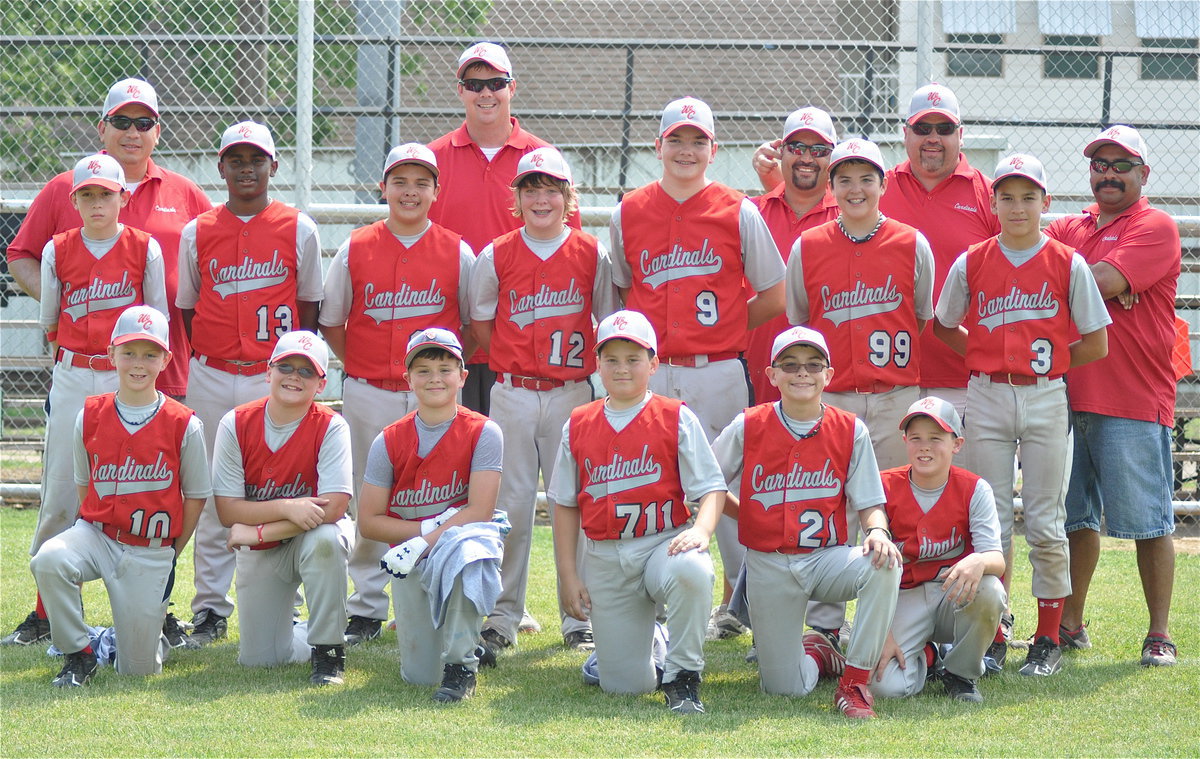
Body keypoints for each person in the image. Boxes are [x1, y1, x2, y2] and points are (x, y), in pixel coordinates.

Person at [609, 96, 785, 640]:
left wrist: (728, 325)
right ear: (657, 146)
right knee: (652, 478)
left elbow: (774, 294)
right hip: (652, 372)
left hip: (719, 369)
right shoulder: (628, 211)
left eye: (698, 141)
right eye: (677, 140)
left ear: (714, 149)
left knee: (727, 480)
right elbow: (620, 291)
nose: (687, 151)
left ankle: (740, 600)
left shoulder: (739, 209)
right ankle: (652, 594)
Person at [933, 154, 1111, 677]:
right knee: (989, 522)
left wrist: (1051, 363)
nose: (1017, 206)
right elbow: (944, 325)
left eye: (1028, 196)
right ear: (993, 203)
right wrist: (983, 353)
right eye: (1007, 197)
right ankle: (993, 629)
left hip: (1045, 395)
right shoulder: (972, 260)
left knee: (1044, 520)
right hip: (986, 395)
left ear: (1045, 203)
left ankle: (1049, 635)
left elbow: (1095, 342)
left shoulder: (1066, 261)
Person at [4, 154, 170, 649]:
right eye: (88, 195)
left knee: (140, 489)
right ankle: (44, 611)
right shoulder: (57, 249)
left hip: (130, 378)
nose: (98, 203)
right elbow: (51, 324)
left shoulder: (146, 249)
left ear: (125, 197)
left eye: (107, 193)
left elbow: (157, 323)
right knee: (59, 496)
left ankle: (155, 607)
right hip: (76, 374)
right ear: (73, 200)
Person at [320, 142, 476, 647]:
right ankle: (366, 604)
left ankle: (438, 590)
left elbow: (473, 326)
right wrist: (364, 367)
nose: (410, 192)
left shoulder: (457, 249)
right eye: (400, 181)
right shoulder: (357, 246)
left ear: (436, 190)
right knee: (375, 494)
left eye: (421, 182)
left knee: (441, 495)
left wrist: (442, 378)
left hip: (436, 392)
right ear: (382, 187)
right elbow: (332, 322)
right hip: (371, 389)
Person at [175, 121, 323, 648]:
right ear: (219, 168)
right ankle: (211, 609)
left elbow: (307, 312)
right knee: (218, 494)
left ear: (274, 167)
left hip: (275, 378)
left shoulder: (297, 227)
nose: (245, 168)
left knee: (288, 487)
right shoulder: (198, 230)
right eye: (235, 159)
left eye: (255, 159)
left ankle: (295, 602)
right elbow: (189, 310)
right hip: (213, 374)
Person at [469, 147, 617, 658]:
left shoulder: (591, 252)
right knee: (506, 506)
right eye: (530, 189)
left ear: (568, 197)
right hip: (512, 390)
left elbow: (607, 324)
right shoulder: (498, 253)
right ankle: (503, 615)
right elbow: (483, 325)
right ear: (517, 197)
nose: (540, 198)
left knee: (572, 503)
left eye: (550, 189)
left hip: (571, 393)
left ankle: (578, 616)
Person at [711, 326, 901, 719]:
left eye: (814, 365)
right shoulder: (748, 423)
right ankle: (818, 651)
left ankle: (854, 683)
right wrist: (745, 512)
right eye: (790, 365)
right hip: (770, 562)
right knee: (785, 689)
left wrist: (879, 531)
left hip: (828, 558)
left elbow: (869, 502)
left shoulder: (851, 428)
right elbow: (707, 483)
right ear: (772, 374)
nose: (802, 373)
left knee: (885, 563)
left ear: (828, 375)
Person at [1045, 125, 1182, 667]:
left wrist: (1049, 277)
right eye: (1100, 164)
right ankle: (1072, 624)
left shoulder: (1154, 225)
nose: (1108, 173)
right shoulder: (1070, 226)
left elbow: (1099, 280)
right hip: (1063, 397)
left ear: (1143, 175)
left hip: (1132, 397)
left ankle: (1159, 633)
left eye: (1121, 165)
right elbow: (1028, 249)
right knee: (1073, 519)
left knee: (1149, 523)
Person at [549, 310, 726, 715]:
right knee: (624, 687)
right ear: (597, 365)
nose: (622, 368)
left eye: (633, 359)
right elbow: (564, 503)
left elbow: (713, 489)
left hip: (664, 543)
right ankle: (652, 641)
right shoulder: (578, 422)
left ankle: (684, 678)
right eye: (611, 359)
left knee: (692, 570)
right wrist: (568, 574)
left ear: (653, 364)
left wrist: (701, 529)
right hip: (607, 555)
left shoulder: (676, 415)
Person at [30, 305, 209, 686]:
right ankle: (79, 653)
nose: (138, 363)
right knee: (49, 558)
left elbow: (195, 496)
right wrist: (94, 529)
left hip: (152, 546)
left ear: (166, 359)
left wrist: (172, 551)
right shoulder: (89, 415)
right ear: (111, 355)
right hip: (98, 535)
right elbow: (84, 485)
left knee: (138, 669)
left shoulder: (185, 424)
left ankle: (120, 637)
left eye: (150, 353)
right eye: (128, 352)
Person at [5, 77, 212, 398]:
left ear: (157, 132)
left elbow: (215, 262)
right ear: (102, 128)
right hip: (85, 365)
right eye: (121, 121)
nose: (132, 133)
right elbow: (21, 255)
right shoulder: (65, 187)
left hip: (166, 368)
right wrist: (60, 302)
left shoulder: (186, 193)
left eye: (144, 123)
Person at [426, 41, 580, 420]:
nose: (485, 93)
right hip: (450, 343)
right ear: (459, 89)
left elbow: (569, 251)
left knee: (513, 471)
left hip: (521, 344)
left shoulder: (545, 159)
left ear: (512, 87)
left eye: (495, 82)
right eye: (474, 84)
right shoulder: (431, 160)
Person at [357, 328, 505, 703]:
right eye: (422, 369)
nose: (435, 377)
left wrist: (424, 538)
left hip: (457, 547)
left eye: (444, 367)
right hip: (409, 560)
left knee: (469, 549)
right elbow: (369, 521)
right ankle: (468, 640)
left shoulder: (484, 431)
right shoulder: (388, 439)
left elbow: (479, 511)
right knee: (420, 676)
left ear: (463, 375)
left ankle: (461, 666)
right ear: (407, 378)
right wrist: (419, 537)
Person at [785, 138, 935, 471]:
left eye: (867, 179)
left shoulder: (912, 243)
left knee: (892, 499)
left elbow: (920, 318)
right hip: (831, 395)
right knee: (832, 499)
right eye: (845, 180)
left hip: (895, 394)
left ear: (883, 184)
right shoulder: (807, 246)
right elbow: (801, 322)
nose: (856, 189)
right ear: (830, 186)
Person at [215, 331, 354, 685]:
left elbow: (335, 506)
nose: (294, 377)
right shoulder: (235, 423)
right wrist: (288, 507)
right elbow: (229, 511)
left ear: (321, 384)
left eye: (307, 372)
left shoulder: (332, 426)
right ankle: (304, 629)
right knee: (261, 661)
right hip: (263, 551)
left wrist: (260, 529)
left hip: (303, 536)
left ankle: (328, 650)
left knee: (326, 540)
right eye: (286, 367)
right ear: (268, 372)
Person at [870, 396, 1005, 703]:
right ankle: (930, 657)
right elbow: (863, 568)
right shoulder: (884, 486)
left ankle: (960, 673)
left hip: (952, 593)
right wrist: (883, 633)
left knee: (990, 590)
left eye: (936, 438)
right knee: (886, 688)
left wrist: (979, 561)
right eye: (915, 438)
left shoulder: (974, 488)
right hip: (903, 597)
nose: (925, 446)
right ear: (904, 441)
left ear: (956, 444)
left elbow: (996, 558)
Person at [879, 84, 1001, 414]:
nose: (933, 137)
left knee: (964, 469)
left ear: (961, 135)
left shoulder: (990, 196)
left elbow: (1031, 260)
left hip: (965, 379)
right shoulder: (878, 189)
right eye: (922, 128)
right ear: (905, 134)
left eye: (944, 129)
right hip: (889, 376)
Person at [745, 106, 840, 405]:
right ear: (779, 151)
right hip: (752, 373)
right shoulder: (748, 212)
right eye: (797, 147)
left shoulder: (848, 218)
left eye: (819, 149)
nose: (807, 158)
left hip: (820, 378)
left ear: (833, 158)